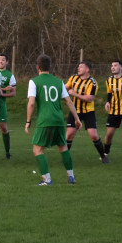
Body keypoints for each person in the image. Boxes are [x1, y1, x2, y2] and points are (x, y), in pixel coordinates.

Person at [26, 54, 82, 185]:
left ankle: (47, 180)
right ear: (50, 67)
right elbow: (69, 101)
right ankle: (71, 177)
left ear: (37, 67)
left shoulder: (34, 81)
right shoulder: (59, 82)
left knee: (37, 150)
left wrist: (28, 121)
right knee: (63, 147)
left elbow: (32, 103)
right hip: (58, 120)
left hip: (45, 120)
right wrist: (77, 119)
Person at [66, 61, 110, 163]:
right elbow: (65, 88)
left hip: (88, 112)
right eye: (78, 66)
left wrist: (74, 94)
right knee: (69, 134)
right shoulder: (73, 78)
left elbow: (90, 98)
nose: (78, 68)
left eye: (81, 67)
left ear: (87, 70)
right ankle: (65, 157)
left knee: (93, 135)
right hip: (74, 110)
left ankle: (103, 156)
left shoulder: (92, 83)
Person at [0, 53, 17, 159]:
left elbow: (13, 93)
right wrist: (3, 89)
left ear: (7, 62)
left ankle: (7, 153)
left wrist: (3, 94)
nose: (1, 61)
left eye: (3, 60)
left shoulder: (10, 75)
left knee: (3, 128)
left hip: (1, 104)